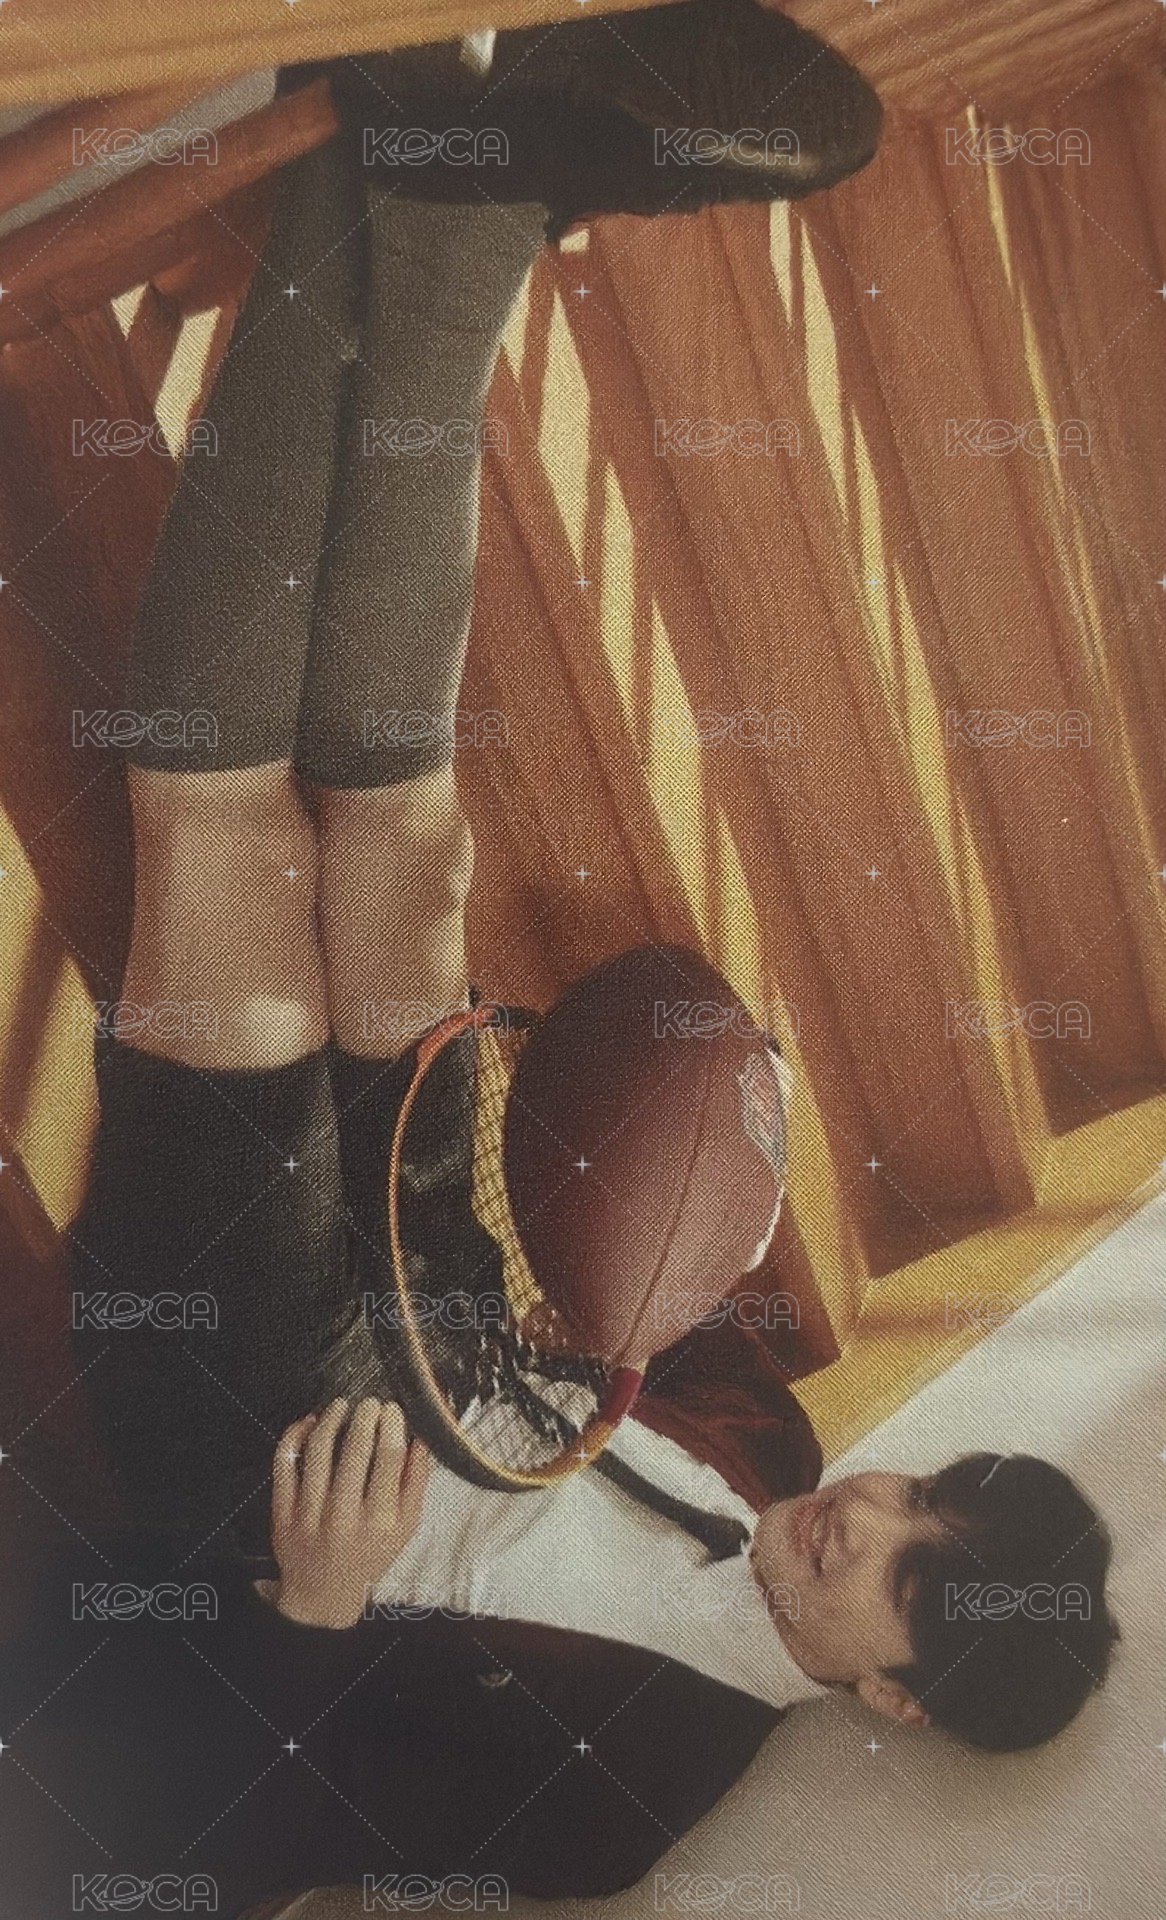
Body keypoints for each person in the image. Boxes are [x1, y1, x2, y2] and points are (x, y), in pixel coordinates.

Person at [24, 10, 1114, 1916]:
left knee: (228, 842)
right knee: (403, 831)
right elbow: (646, 1292)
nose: (876, 1510)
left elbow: (234, 1856)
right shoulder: (765, 1455)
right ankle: (456, 204)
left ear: (891, 1697)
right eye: (934, 1492)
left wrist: (308, 1612)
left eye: (914, 1574)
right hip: (444, 1290)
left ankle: (430, 172)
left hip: (254, 1429)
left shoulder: (635, 1800)